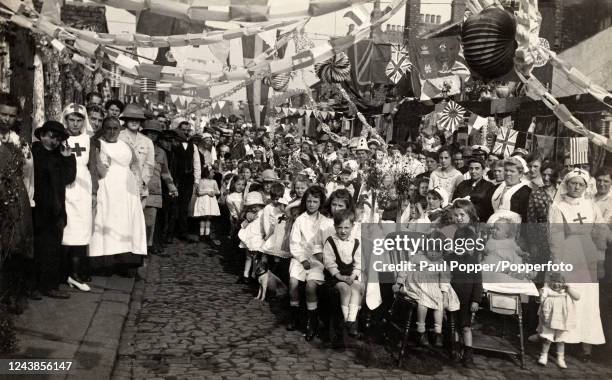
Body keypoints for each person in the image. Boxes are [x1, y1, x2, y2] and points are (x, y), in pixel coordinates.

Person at [549, 168, 606, 361]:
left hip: (588, 254)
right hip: (568, 252)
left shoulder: (591, 206)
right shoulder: (559, 207)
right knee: (567, 297)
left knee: (588, 299)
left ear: (586, 186)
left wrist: (600, 258)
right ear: (566, 184)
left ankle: (586, 345)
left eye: (580, 184)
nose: (576, 187)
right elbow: (555, 236)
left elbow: (599, 232)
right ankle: (564, 342)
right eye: (573, 183)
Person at [89, 117, 147, 277]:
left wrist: (137, 183)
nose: (112, 132)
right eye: (108, 128)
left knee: (126, 223)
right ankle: (105, 263)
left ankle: (127, 262)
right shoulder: (98, 144)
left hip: (128, 191)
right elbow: (98, 167)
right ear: (103, 128)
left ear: (120, 129)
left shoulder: (126, 145)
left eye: (115, 128)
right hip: (107, 188)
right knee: (108, 222)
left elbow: (134, 164)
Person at [32, 121, 76, 298]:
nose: (54, 141)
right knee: (36, 248)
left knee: (52, 249)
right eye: (51, 136)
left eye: (58, 138)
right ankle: (33, 286)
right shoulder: (34, 152)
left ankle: (50, 285)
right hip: (37, 207)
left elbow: (68, 178)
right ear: (42, 135)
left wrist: (68, 158)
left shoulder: (60, 156)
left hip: (55, 209)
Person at [394, 230, 459, 347]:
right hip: (417, 285)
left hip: (433, 288)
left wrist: (444, 295)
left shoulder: (441, 263)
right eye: (431, 249)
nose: (434, 253)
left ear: (443, 251)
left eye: (438, 251)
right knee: (423, 302)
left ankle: (438, 332)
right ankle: (421, 330)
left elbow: (444, 280)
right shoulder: (418, 257)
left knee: (439, 303)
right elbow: (405, 269)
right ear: (425, 247)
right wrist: (399, 282)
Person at [61, 104, 100, 292]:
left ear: (83, 122)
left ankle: (76, 272)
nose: (75, 124)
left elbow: (93, 167)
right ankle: (63, 272)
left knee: (81, 228)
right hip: (64, 187)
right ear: (65, 120)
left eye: (79, 120)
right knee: (64, 228)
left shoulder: (88, 140)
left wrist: (94, 192)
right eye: (71, 120)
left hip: (83, 187)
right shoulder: (59, 137)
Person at [289, 185, 327, 341]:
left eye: (315, 201)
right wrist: (302, 259)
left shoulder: (325, 221)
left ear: (320, 203)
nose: (311, 204)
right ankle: (295, 315)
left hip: (317, 259)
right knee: (293, 282)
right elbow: (294, 243)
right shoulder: (300, 220)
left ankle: (312, 321)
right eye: (309, 201)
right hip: (300, 257)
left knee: (311, 286)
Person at [140, 120, 178, 255]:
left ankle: (146, 247)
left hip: (154, 191)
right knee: (137, 222)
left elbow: (165, 172)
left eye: (155, 134)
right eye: (150, 133)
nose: (152, 136)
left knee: (150, 223)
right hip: (136, 190)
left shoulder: (161, 152)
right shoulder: (137, 147)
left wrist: (171, 187)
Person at [447, 226, 483, 368]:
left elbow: (478, 283)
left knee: (466, 327)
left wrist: (476, 300)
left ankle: (468, 354)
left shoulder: (474, 262)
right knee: (454, 326)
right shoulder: (448, 259)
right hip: (452, 299)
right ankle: (455, 350)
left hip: (467, 301)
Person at [323, 209, 362, 337]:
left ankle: (351, 320)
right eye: (340, 228)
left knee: (357, 287)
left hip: (349, 275)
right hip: (335, 277)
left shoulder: (355, 242)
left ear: (352, 226)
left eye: (347, 227)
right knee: (345, 289)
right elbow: (329, 262)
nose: (343, 231)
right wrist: (339, 276)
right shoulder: (331, 241)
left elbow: (359, 263)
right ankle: (346, 319)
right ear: (335, 227)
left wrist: (352, 276)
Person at [537, 273, 581, 369]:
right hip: (549, 317)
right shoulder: (547, 289)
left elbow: (577, 297)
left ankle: (560, 358)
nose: (556, 284)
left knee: (561, 339)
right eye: (554, 281)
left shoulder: (566, 291)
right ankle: (543, 355)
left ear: (564, 283)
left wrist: (569, 289)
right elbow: (540, 299)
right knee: (547, 338)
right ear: (549, 282)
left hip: (562, 318)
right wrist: (540, 294)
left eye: (560, 282)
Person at [118, 104, 155, 207]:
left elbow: (149, 165)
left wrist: (142, 181)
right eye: (131, 119)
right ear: (126, 120)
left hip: (140, 187)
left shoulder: (147, 142)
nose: (134, 122)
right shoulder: (118, 137)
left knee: (136, 218)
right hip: (120, 183)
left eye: (137, 120)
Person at [173, 127, 201, 242]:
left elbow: (197, 163)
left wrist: (196, 181)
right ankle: (172, 231)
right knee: (174, 205)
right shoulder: (174, 145)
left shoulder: (193, 147)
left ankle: (183, 231)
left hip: (188, 179)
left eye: (186, 132)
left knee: (184, 206)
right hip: (176, 178)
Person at [490, 157, 532, 222]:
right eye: (506, 170)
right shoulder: (496, 188)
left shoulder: (525, 191)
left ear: (520, 174)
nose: (508, 173)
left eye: (512, 171)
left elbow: (526, 216)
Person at [237, 192, 266, 283]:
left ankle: (253, 275)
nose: (253, 208)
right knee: (248, 257)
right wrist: (247, 219)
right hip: (249, 237)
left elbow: (265, 225)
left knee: (255, 258)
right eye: (251, 206)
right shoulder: (249, 213)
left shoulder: (263, 213)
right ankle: (245, 275)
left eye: (255, 206)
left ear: (260, 205)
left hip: (257, 237)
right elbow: (243, 225)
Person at [192, 166, 220, 243]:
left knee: (208, 218)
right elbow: (199, 192)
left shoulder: (214, 182)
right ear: (207, 173)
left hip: (211, 202)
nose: (214, 174)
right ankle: (201, 234)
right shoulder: (201, 181)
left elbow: (218, 191)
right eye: (212, 172)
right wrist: (207, 192)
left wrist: (213, 192)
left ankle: (207, 234)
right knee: (203, 218)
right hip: (203, 201)